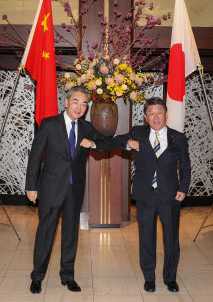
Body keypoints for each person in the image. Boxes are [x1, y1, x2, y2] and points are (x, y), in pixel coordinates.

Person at [26, 86, 111, 294]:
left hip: (74, 189)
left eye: (84, 104)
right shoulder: (49, 124)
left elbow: (106, 141)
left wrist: (94, 142)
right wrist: (31, 186)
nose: (79, 107)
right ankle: (37, 276)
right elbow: (35, 155)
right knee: (46, 233)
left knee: (71, 234)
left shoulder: (87, 127)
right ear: (66, 102)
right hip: (50, 188)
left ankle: (67, 276)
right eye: (75, 102)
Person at [112, 97, 191, 293]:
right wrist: (128, 142)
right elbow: (117, 140)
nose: (156, 117)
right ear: (146, 117)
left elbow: (187, 167)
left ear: (166, 114)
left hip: (170, 196)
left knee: (171, 239)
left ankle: (170, 278)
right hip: (145, 195)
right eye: (151, 113)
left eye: (159, 113)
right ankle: (149, 277)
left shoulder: (178, 137)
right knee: (146, 238)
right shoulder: (138, 132)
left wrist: (183, 188)